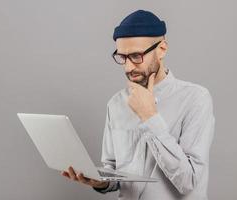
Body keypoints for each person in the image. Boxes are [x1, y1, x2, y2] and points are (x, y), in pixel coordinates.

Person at [61, 10, 215, 200]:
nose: (128, 67)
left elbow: (189, 182)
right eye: (123, 57)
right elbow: (114, 170)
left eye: (136, 56)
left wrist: (150, 117)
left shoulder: (196, 99)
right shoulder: (116, 103)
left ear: (162, 49)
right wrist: (100, 181)